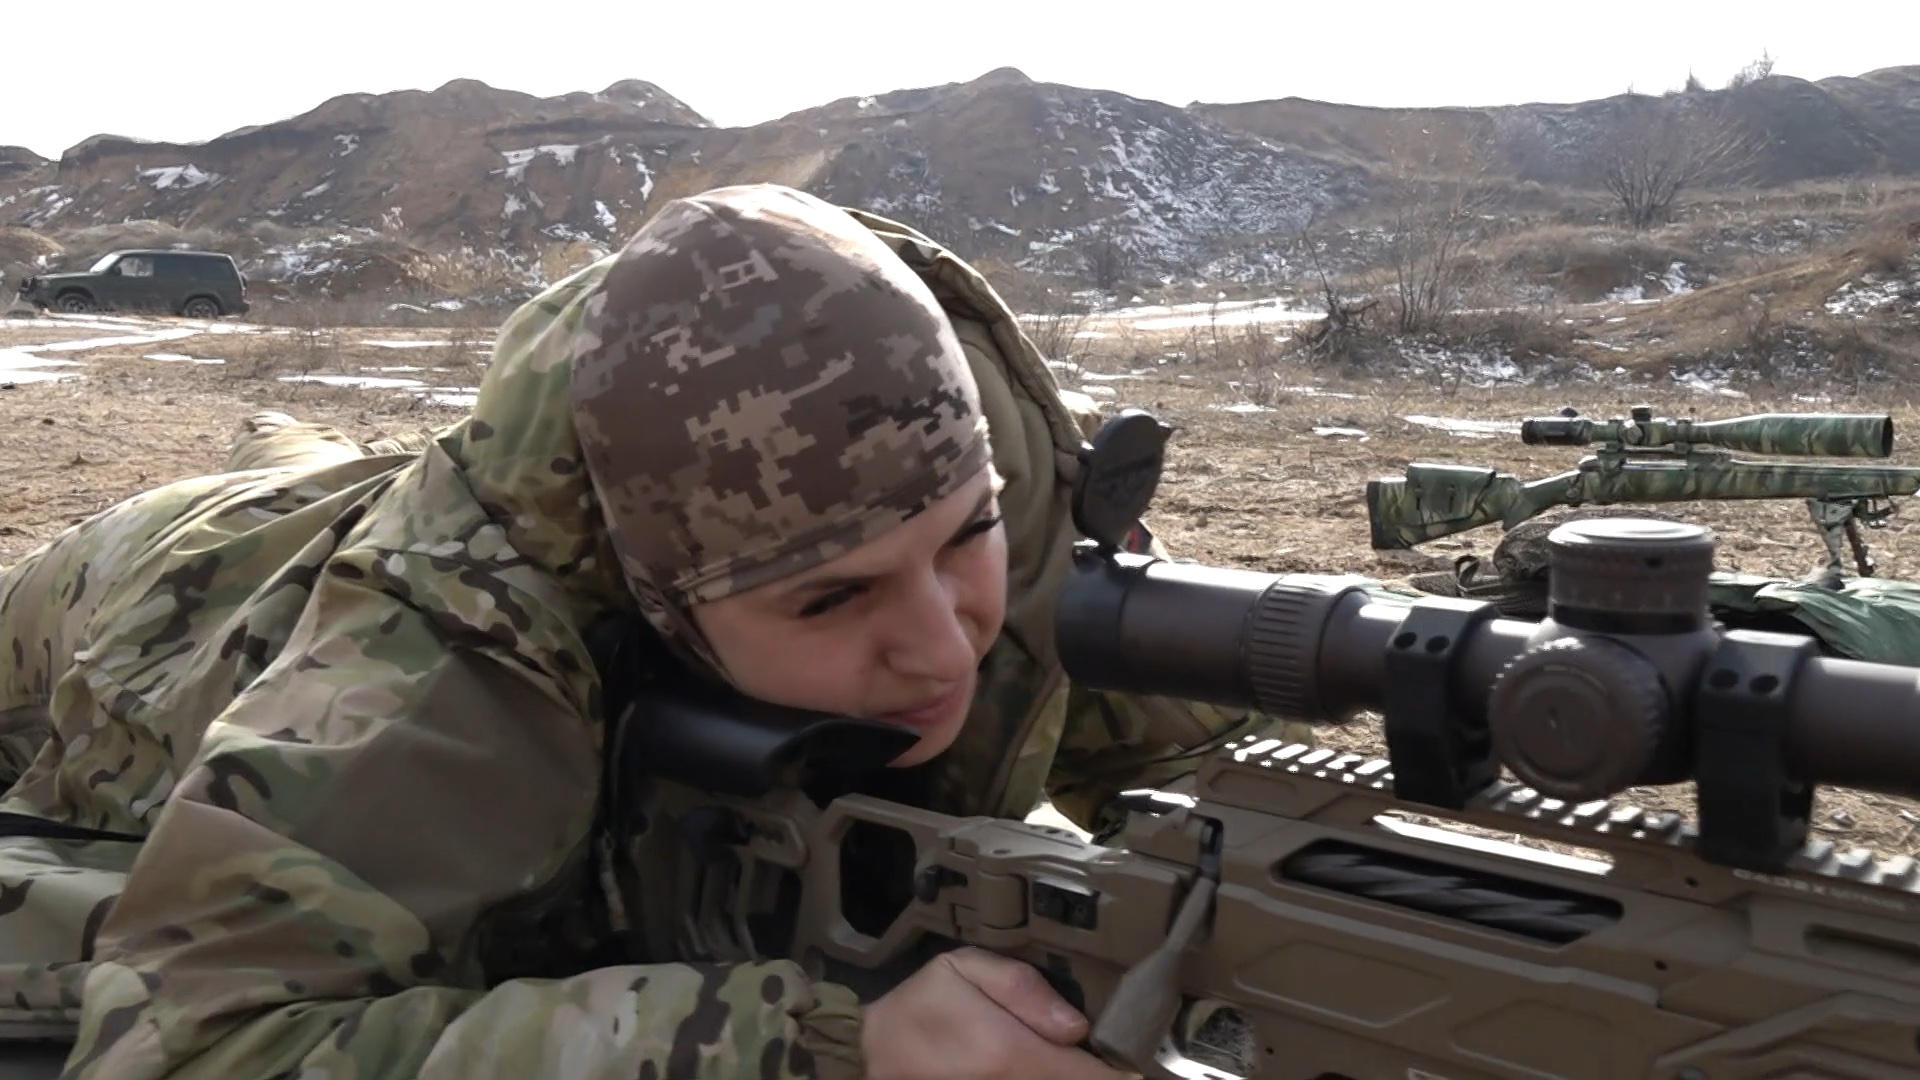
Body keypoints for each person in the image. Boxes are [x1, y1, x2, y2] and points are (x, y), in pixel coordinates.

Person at [0, 184, 1308, 1078]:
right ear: (662, 609)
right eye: (830, 598)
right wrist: (811, 1046)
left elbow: (1219, 786)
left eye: (962, 540)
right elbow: (185, 1044)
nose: (944, 646)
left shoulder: (980, 485)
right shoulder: (432, 664)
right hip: (143, 613)